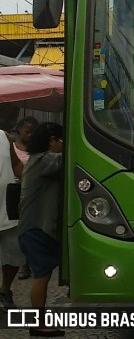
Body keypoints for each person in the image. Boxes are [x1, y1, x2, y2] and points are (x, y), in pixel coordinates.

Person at [18, 122, 65, 337]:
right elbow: (71, 158)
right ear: (51, 141)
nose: (62, 145)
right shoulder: (44, 160)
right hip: (36, 227)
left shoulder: (37, 160)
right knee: (42, 276)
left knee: (42, 275)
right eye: (60, 141)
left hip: (33, 227)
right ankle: (38, 323)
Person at [0, 127, 25, 311]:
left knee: (15, 254)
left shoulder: (4, 136)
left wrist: (30, 180)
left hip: (6, 209)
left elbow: (16, 165)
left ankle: (5, 290)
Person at [13, 116, 39, 280]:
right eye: (27, 131)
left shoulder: (39, 150)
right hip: (15, 192)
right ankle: (24, 263)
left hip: (34, 193)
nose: (30, 135)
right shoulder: (12, 148)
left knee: (32, 228)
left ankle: (31, 261)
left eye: (33, 132)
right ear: (19, 131)